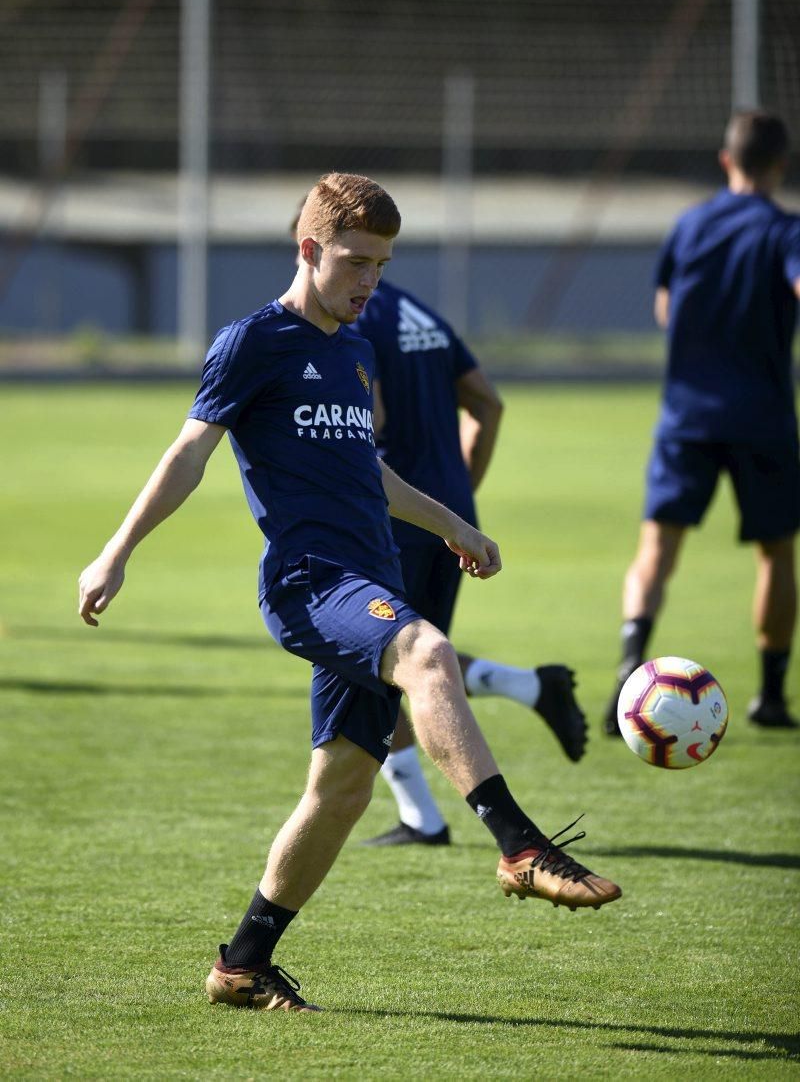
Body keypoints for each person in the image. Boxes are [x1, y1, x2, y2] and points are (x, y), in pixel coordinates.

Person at [79, 173, 620, 1015]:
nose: (371, 280)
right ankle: (520, 846)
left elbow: (368, 471)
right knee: (429, 652)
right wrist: (115, 553)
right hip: (310, 582)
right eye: (357, 261)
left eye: (382, 263)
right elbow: (189, 453)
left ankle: (243, 965)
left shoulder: (354, 350)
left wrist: (453, 524)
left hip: (370, 575)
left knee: (341, 791)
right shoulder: (253, 341)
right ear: (309, 249)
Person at [351, 278, 587, 847]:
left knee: (377, 664)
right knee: (416, 660)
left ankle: (422, 819)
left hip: (393, 511)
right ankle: (530, 687)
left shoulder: (348, 318)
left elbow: (370, 419)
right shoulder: (421, 312)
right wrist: (459, 492)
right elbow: (488, 402)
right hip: (446, 508)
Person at [604, 111, 800, 736]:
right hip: (763, 418)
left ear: (726, 160)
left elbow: (665, 306)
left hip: (686, 415)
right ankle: (770, 695)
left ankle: (629, 669)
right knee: (776, 552)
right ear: (781, 164)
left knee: (657, 549)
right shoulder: (786, 230)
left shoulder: (690, 224)